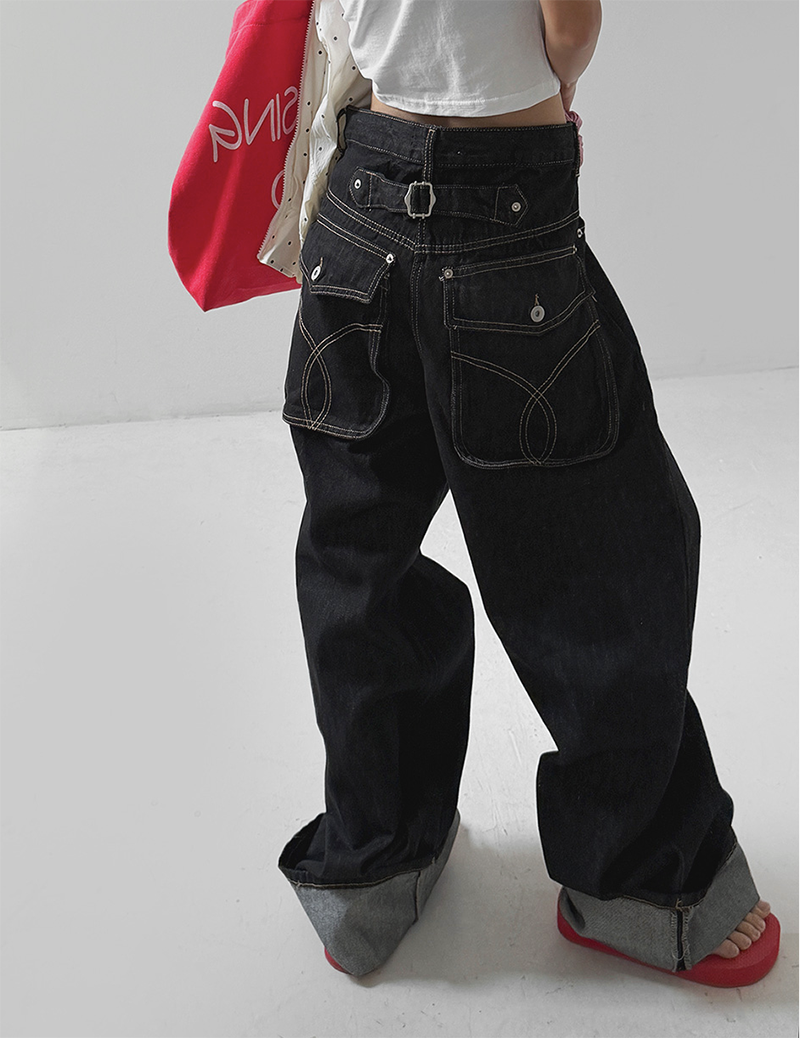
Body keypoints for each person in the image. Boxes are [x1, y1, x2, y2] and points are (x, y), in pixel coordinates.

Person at [275, 0, 779, 983]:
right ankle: (643, 883)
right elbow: (567, 32)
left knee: (358, 558)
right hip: (503, 224)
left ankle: (371, 870)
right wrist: (562, 80)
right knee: (605, 561)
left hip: (357, 212)